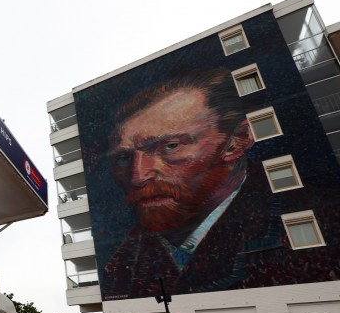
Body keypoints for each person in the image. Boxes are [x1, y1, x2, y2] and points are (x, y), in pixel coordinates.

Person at [101, 69, 257, 300]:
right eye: (124, 158)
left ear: (236, 142)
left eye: (170, 146)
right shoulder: (120, 262)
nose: (138, 177)